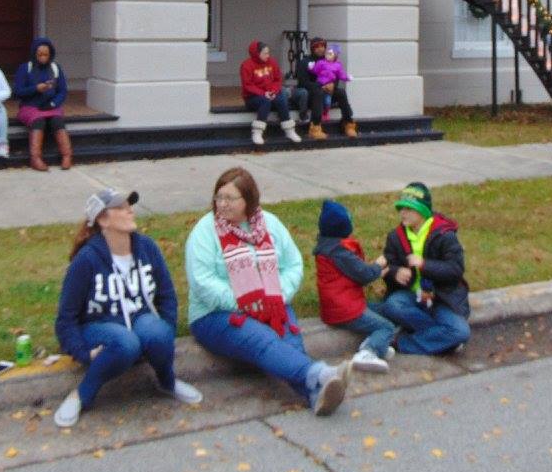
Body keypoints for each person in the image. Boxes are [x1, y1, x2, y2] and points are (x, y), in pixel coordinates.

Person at [185, 167, 352, 415]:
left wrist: (276, 297)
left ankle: (316, 392)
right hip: (215, 313)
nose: (222, 204)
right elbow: (202, 282)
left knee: (289, 340)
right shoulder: (204, 231)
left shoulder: (270, 224)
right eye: (219, 197)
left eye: (230, 199)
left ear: (249, 200)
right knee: (261, 339)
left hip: (272, 304)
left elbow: (293, 265)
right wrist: (245, 302)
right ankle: (319, 373)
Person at [53, 188, 202, 428]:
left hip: (138, 318)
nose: (130, 210)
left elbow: (166, 295)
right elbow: (65, 318)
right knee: (126, 343)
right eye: (121, 207)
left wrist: (165, 332)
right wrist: (82, 352)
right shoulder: (87, 260)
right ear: (103, 219)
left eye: (129, 205)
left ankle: (167, 381)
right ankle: (81, 394)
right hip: (98, 325)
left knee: (158, 332)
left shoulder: (147, 247)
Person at [374, 182, 470, 356]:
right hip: (411, 295)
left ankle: (400, 343)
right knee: (393, 305)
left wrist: (425, 265)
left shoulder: (444, 235)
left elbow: (455, 269)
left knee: (461, 331)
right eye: (401, 208)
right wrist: (396, 272)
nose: (402, 213)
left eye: (409, 209)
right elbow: (389, 264)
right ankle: (442, 339)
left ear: (423, 211)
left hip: (441, 298)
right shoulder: (396, 237)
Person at [314, 199, 396, 372]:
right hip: (345, 310)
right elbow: (364, 274)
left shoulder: (326, 247)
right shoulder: (339, 252)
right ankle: (368, 351)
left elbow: (352, 275)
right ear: (342, 228)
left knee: (381, 309)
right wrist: (379, 264)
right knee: (387, 326)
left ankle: (377, 342)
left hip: (337, 306)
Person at [13, 36, 71, 171]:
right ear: (34, 53)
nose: (43, 57)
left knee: (57, 121)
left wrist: (52, 103)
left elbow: (62, 91)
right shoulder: (25, 68)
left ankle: (67, 155)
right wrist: (35, 89)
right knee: (39, 121)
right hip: (30, 107)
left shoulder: (56, 68)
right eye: (40, 54)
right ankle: (35, 158)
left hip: (50, 105)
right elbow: (17, 91)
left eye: (46, 54)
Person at [293, 36, 357, 140]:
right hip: (311, 93)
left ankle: (348, 123)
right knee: (318, 92)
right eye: (317, 47)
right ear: (312, 49)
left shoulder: (330, 60)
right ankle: (315, 126)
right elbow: (303, 82)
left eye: (322, 46)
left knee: (341, 92)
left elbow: (336, 75)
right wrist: (320, 86)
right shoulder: (305, 62)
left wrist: (333, 85)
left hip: (327, 91)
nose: (320, 49)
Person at [240, 40, 302, 146]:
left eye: (268, 53)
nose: (267, 55)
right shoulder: (246, 65)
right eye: (265, 53)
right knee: (266, 102)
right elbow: (248, 85)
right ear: (256, 53)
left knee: (281, 100)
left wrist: (273, 91)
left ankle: (289, 130)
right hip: (253, 97)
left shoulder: (272, 62)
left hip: (270, 93)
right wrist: (263, 93)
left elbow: (278, 80)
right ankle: (257, 132)